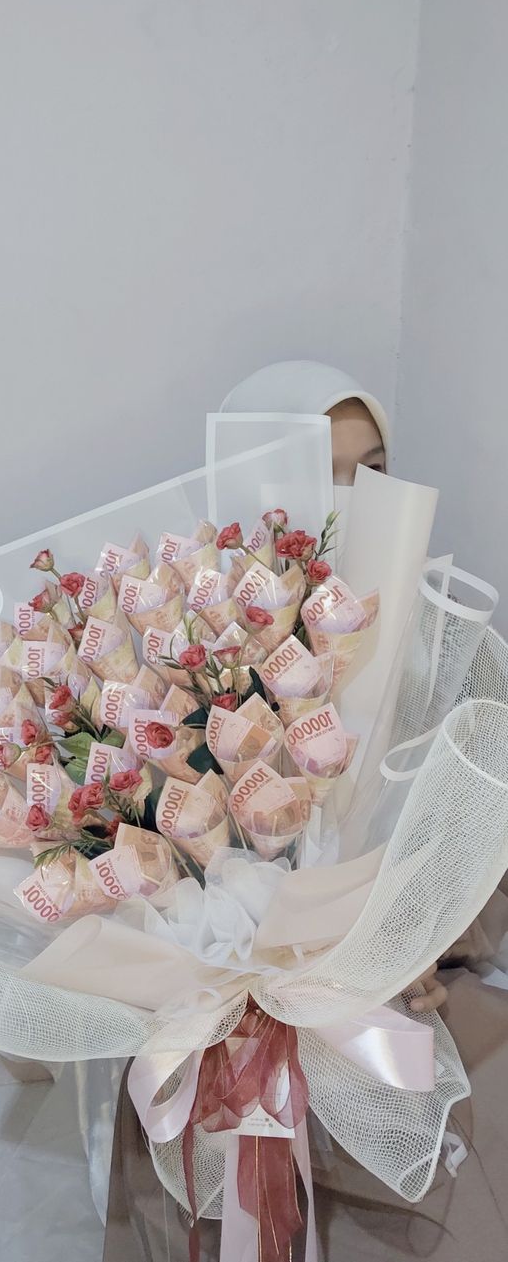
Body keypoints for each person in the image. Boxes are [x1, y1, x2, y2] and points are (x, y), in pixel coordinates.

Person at [102, 362, 508, 1261]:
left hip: (389, 995)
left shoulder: (431, 635)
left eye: (374, 466)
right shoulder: (175, 645)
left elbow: (472, 846)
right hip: (213, 1010)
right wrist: (227, 984)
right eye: (322, 470)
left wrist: (406, 952)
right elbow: (128, 857)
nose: (354, 497)